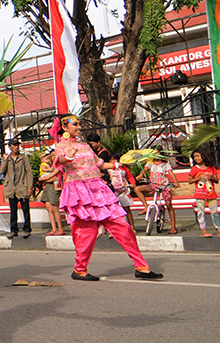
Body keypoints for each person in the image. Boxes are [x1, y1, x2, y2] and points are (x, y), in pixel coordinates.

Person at [53, 115, 163, 281]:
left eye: (79, 124)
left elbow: (99, 164)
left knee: (122, 226)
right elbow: (60, 161)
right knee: (87, 233)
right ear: (65, 127)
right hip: (80, 193)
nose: (79, 127)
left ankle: (142, 267)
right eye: (75, 124)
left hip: (98, 189)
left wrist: (120, 164)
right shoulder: (61, 145)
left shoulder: (85, 145)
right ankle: (80, 269)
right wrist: (67, 156)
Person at [0, 138, 33, 239]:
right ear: (10, 147)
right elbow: (2, 171)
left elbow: (29, 172)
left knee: (25, 210)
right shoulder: (8, 158)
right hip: (11, 188)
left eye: (17, 144)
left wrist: (30, 187)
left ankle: (27, 229)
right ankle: (14, 230)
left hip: (22, 186)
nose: (16, 147)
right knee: (13, 211)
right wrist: (4, 160)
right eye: (14, 145)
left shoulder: (23, 157)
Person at [189, 149, 220, 237]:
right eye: (195, 157)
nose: (197, 158)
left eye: (198, 156)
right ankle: (203, 231)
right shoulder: (194, 169)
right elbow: (190, 181)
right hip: (200, 194)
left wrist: (211, 177)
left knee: (214, 212)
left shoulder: (212, 168)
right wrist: (198, 178)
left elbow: (216, 180)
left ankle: (218, 230)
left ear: (204, 156)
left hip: (211, 194)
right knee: (201, 212)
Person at [138, 152, 179, 233]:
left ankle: (173, 227)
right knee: (137, 189)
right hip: (153, 185)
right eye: (154, 154)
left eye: (158, 153)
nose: (156, 156)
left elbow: (171, 173)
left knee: (169, 205)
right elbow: (145, 169)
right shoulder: (150, 163)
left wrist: (176, 182)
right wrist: (140, 175)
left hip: (164, 186)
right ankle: (146, 207)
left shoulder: (165, 164)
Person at [106, 152, 139, 229]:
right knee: (113, 210)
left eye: (114, 160)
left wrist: (133, 183)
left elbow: (130, 176)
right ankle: (115, 228)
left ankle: (132, 227)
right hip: (112, 192)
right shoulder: (108, 169)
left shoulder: (123, 168)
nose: (112, 162)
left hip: (123, 190)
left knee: (127, 209)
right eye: (111, 160)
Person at [37, 149, 65, 235]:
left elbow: (51, 175)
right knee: (49, 208)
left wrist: (42, 179)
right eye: (51, 156)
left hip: (54, 187)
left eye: (54, 155)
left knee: (54, 208)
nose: (52, 157)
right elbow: (46, 177)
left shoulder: (58, 166)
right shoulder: (49, 166)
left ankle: (60, 229)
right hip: (48, 187)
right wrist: (42, 179)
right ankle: (54, 228)